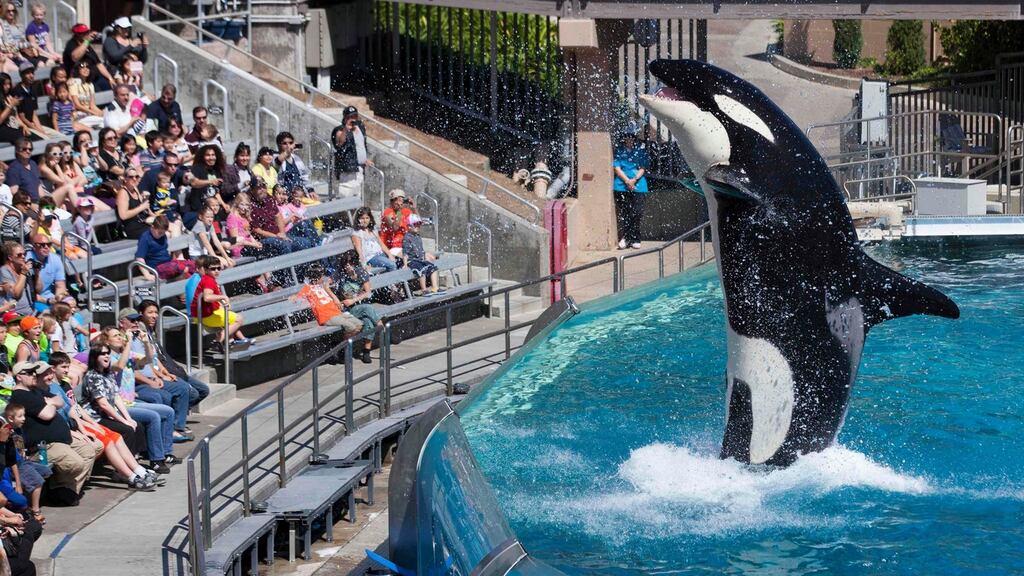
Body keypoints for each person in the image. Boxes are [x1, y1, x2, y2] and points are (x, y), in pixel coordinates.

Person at [49, 352, 157, 489]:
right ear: (53, 368)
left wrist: (93, 423)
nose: (66, 370)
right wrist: (87, 426)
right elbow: (71, 414)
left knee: (116, 436)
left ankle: (138, 470)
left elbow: (76, 408)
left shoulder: (64, 384)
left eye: (67, 367)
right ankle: (130, 476)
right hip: (75, 425)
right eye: (63, 367)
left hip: (84, 421)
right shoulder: (54, 389)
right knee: (108, 441)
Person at [10, 360, 101, 506]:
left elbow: (60, 400)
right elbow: (47, 414)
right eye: (29, 373)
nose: (33, 375)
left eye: (34, 372)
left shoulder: (35, 391)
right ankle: (60, 490)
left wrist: (52, 403)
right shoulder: (21, 396)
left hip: (61, 440)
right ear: (19, 377)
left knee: (93, 448)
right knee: (76, 463)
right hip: (44, 446)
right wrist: (51, 403)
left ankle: (67, 490)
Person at [81, 339, 173, 474]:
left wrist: (128, 418)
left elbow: (116, 397)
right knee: (127, 429)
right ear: (95, 358)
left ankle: (135, 462)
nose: (106, 356)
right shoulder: (92, 376)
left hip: (107, 413)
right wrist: (123, 421)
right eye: (102, 354)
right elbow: (104, 404)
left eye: (107, 353)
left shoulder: (108, 373)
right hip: (95, 417)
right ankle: (126, 470)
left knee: (137, 425)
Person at [118, 309, 192, 443]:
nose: (135, 323)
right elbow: (130, 368)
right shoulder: (121, 341)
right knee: (160, 396)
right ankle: (163, 435)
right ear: (122, 322)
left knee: (183, 387)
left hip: (150, 378)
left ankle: (176, 427)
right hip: (137, 384)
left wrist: (160, 374)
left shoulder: (138, 337)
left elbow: (149, 360)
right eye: (132, 320)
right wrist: (150, 381)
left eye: (137, 320)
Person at [136, 300, 209, 409]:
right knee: (191, 393)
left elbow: (158, 357)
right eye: (150, 312)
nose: (154, 316)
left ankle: (178, 411)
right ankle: (177, 415)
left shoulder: (151, 330)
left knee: (203, 390)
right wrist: (162, 375)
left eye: (156, 312)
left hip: (170, 370)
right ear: (141, 314)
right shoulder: (140, 333)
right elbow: (148, 362)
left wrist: (165, 371)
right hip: (157, 373)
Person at [3, 402, 53, 522]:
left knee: (46, 471)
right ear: (10, 418)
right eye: (20, 416)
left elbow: (20, 447)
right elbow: (11, 458)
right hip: (15, 465)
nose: (24, 419)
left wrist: (24, 453)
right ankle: (36, 511)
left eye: (24, 415)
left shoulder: (18, 430)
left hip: (23, 461)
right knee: (37, 482)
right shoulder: (7, 433)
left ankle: (29, 502)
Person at [190, 256, 252, 349]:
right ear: (206, 270)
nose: (216, 271)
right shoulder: (208, 281)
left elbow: (212, 298)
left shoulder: (208, 279)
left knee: (229, 316)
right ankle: (219, 340)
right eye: (213, 269)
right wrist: (223, 297)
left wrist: (222, 302)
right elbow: (207, 297)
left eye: (218, 268)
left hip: (202, 314)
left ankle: (230, 341)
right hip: (205, 316)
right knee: (239, 319)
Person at [336, 250, 385, 364]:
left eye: (349, 264)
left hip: (357, 306)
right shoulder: (340, 273)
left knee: (368, 322)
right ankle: (382, 327)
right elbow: (326, 285)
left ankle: (365, 351)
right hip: (347, 309)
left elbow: (368, 292)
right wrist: (336, 299)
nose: (347, 266)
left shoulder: (361, 273)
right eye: (345, 264)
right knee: (367, 308)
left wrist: (353, 300)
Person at [289, 262, 363, 335]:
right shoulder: (307, 288)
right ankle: (345, 344)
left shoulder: (322, 285)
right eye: (322, 276)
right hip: (327, 317)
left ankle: (347, 342)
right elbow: (296, 297)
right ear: (317, 278)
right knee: (351, 327)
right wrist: (293, 297)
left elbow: (330, 284)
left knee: (359, 324)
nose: (324, 277)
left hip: (337, 313)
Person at [613, 126, 650, 250]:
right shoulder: (619, 151)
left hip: (638, 186)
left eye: (631, 138)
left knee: (637, 212)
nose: (629, 140)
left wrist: (633, 180)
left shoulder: (640, 150)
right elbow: (617, 167)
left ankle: (635, 237)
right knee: (625, 213)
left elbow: (643, 168)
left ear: (634, 139)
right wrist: (627, 181)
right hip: (621, 186)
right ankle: (626, 238)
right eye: (627, 138)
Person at [135, 215, 194, 281]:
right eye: (160, 233)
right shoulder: (145, 238)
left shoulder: (162, 236)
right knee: (180, 267)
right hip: (156, 267)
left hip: (168, 264)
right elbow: (139, 258)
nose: (162, 235)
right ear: (152, 227)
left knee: (193, 265)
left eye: (163, 233)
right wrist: (147, 275)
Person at [330, 105, 373, 197]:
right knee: (346, 199)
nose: (352, 119)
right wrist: (346, 129)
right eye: (349, 117)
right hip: (347, 171)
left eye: (354, 116)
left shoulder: (360, 127)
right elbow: (340, 144)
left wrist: (365, 159)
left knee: (358, 198)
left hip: (360, 169)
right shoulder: (339, 130)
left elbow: (361, 146)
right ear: (345, 118)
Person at [63, 23, 114, 91]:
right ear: (77, 34)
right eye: (83, 33)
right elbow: (75, 57)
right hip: (82, 79)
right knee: (97, 91)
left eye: (87, 32)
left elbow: (98, 63)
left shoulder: (87, 45)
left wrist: (110, 78)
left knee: (110, 87)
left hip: (95, 77)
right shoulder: (72, 44)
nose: (86, 34)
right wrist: (87, 41)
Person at [186, 144, 226, 228]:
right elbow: (194, 183)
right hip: (201, 209)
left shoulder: (216, 170)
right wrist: (210, 181)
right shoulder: (197, 168)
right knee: (213, 228)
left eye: (213, 155)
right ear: (202, 157)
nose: (211, 157)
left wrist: (223, 204)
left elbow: (215, 191)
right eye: (208, 155)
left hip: (214, 208)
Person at [402, 214, 443, 296]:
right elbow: (405, 253)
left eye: (419, 224)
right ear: (409, 226)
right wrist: (405, 264)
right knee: (421, 269)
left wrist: (425, 256)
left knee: (433, 268)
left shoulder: (418, 236)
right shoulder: (407, 238)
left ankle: (435, 287)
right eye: (415, 224)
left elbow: (420, 250)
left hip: (420, 260)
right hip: (412, 261)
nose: (418, 226)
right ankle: (424, 290)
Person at [27, 235, 66, 312]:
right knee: (49, 312)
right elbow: (28, 294)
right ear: (34, 247)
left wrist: (59, 297)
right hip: (32, 300)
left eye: (49, 244)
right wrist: (47, 300)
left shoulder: (55, 259)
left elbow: (60, 285)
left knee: (70, 306)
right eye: (42, 245)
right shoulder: (27, 261)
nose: (46, 247)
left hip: (50, 297)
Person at [351, 207, 396, 272]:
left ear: (370, 219)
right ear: (358, 219)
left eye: (367, 218)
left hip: (380, 254)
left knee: (396, 261)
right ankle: (394, 281)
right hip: (371, 258)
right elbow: (359, 251)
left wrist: (390, 254)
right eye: (362, 218)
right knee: (392, 265)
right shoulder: (357, 233)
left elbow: (381, 244)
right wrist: (364, 265)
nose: (365, 221)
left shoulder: (373, 230)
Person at [380, 189, 414, 258]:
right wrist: (399, 212)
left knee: (428, 256)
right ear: (392, 202)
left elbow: (417, 223)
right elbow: (395, 228)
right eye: (396, 200)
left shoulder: (406, 211)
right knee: (409, 257)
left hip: (404, 245)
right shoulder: (387, 212)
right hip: (391, 247)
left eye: (401, 200)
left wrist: (414, 208)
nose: (399, 202)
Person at [0, 242, 32, 317]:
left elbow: (38, 289)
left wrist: (37, 273)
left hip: (29, 311)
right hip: (14, 314)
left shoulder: (24, 269)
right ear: (10, 257)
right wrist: (23, 273)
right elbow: (16, 294)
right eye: (19, 255)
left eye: (25, 254)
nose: (23, 256)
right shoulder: (4, 271)